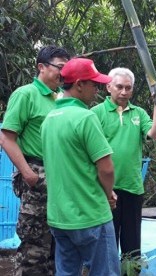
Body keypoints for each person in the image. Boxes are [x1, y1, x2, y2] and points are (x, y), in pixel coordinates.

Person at [41, 58, 120, 275]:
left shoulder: (49, 119)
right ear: (78, 85)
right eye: (93, 84)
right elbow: (106, 168)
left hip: (59, 216)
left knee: (66, 272)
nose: (97, 89)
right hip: (90, 214)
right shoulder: (85, 117)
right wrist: (109, 194)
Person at [0, 45, 70, 276]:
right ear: (42, 67)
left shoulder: (61, 99)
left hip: (59, 175)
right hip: (36, 172)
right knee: (34, 246)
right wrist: (28, 173)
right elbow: (7, 137)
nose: (64, 73)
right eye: (60, 67)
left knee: (55, 244)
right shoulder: (26, 94)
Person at [91, 67, 156, 259]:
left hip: (132, 187)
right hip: (105, 190)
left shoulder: (138, 113)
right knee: (107, 245)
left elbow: (154, 134)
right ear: (109, 87)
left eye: (128, 88)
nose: (124, 92)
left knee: (132, 248)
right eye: (119, 87)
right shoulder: (96, 113)